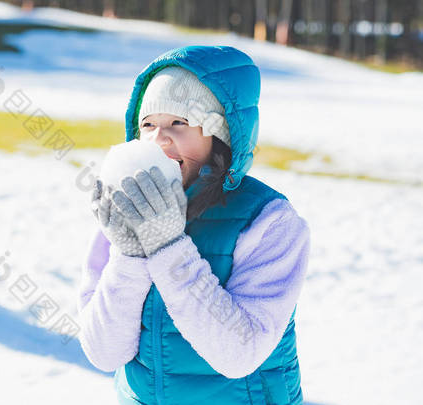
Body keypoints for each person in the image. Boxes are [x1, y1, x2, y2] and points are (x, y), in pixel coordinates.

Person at [76, 45, 310, 405]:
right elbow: (104, 353)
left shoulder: (269, 222)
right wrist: (131, 253)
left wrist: (166, 245)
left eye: (179, 124)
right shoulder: (124, 211)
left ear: (222, 135)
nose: (159, 139)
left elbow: (239, 354)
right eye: (148, 124)